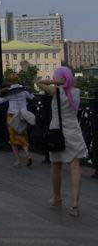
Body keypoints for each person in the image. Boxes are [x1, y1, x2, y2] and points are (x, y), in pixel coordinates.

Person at [36, 67, 88, 217]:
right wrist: (65, 81)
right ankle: (74, 204)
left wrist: (55, 82)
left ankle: (57, 198)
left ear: (60, 78)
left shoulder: (56, 91)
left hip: (58, 132)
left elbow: (38, 82)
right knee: (75, 167)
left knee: (56, 166)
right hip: (74, 132)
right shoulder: (76, 92)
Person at [0, 73, 35, 168]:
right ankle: (27, 153)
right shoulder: (23, 90)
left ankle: (18, 160)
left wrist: (0, 92)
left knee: (13, 138)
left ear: (10, 81)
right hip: (23, 116)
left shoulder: (9, 92)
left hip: (12, 116)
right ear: (18, 80)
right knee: (23, 135)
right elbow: (32, 97)